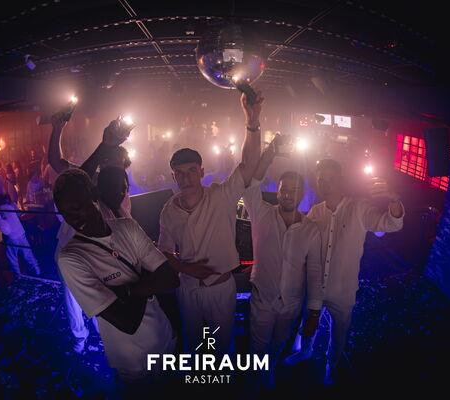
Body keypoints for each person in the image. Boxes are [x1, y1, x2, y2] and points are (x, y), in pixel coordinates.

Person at [157, 91, 264, 356]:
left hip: (220, 288)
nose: (186, 178)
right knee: (192, 344)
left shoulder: (221, 196)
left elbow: (249, 164)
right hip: (188, 288)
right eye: (180, 173)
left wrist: (252, 121)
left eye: (192, 171)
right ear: (173, 176)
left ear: (202, 172)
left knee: (222, 345)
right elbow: (164, 250)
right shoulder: (169, 210)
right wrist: (187, 269)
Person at [284, 158, 404, 385]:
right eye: (321, 180)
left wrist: (394, 199)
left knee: (339, 333)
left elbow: (391, 223)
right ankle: (305, 351)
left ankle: (332, 365)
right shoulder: (315, 212)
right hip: (315, 288)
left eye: (330, 179)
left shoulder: (358, 208)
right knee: (308, 321)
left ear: (340, 180)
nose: (325, 184)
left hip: (343, 291)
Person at [54, 168, 179, 383]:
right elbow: (127, 322)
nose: (73, 218)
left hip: (165, 336)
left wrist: (126, 291)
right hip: (133, 359)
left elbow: (170, 278)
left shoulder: (127, 227)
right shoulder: (71, 258)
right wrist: (147, 279)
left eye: (79, 206)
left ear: (94, 195)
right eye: (66, 213)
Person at [48, 114, 135, 353]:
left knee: (101, 293)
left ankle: (102, 334)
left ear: (123, 166)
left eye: (115, 161)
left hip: (101, 251)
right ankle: (79, 338)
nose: (108, 163)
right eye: (107, 159)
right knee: (72, 295)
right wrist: (57, 129)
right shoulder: (88, 175)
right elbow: (56, 162)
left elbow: (122, 222)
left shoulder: (121, 191)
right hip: (71, 245)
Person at [242, 135, 321, 389]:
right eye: (284, 189)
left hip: (291, 304)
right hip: (263, 300)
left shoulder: (311, 230)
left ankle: (269, 372)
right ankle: (252, 385)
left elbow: (314, 273)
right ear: (277, 191)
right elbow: (250, 187)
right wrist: (269, 155)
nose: (288, 194)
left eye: (294, 190)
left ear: (302, 194)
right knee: (256, 348)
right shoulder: (262, 214)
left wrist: (314, 312)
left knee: (278, 344)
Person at [0, 193, 40, 277]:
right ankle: (36, 268)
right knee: (27, 251)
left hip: (12, 236)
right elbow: (18, 215)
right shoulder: (9, 207)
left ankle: (18, 274)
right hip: (20, 231)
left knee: (12, 255)